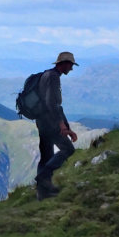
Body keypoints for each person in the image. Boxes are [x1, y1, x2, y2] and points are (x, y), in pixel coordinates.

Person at [31, 51, 78, 198]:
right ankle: (43, 177)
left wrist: (68, 127)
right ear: (63, 64)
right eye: (70, 65)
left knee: (46, 156)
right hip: (50, 123)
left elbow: (54, 104)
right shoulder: (53, 78)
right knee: (68, 149)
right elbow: (52, 103)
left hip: (42, 122)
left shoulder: (47, 75)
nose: (71, 68)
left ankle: (43, 193)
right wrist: (62, 126)